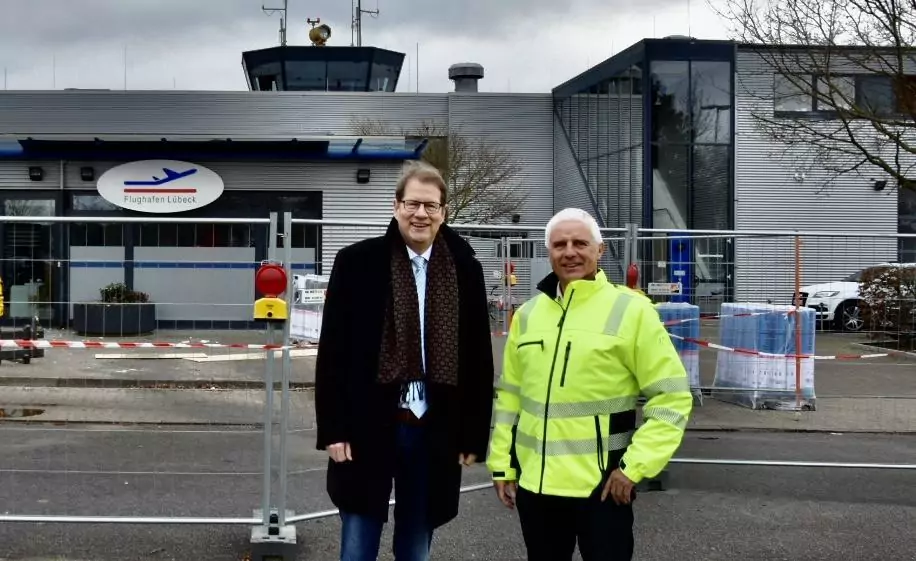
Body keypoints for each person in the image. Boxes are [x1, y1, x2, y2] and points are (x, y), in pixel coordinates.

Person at [486, 208, 693, 561]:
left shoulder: (633, 310)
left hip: (603, 485)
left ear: (599, 250)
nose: (569, 252)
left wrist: (634, 468)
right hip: (537, 487)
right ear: (548, 251)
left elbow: (671, 399)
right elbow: (511, 398)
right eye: (559, 244)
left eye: (580, 243)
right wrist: (502, 465)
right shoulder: (528, 315)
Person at [314, 160, 495, 561]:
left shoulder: (465, 268)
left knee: (415, 545)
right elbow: (333, 354)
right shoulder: (357, 263)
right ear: (396, 206)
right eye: (412, 203)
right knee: (358, 543)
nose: (421, 214)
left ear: (444, 212)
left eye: (431, 206)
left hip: (435, 426)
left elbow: (478, 358)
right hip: (368, 423)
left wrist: (473, 434)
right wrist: (333, 428)